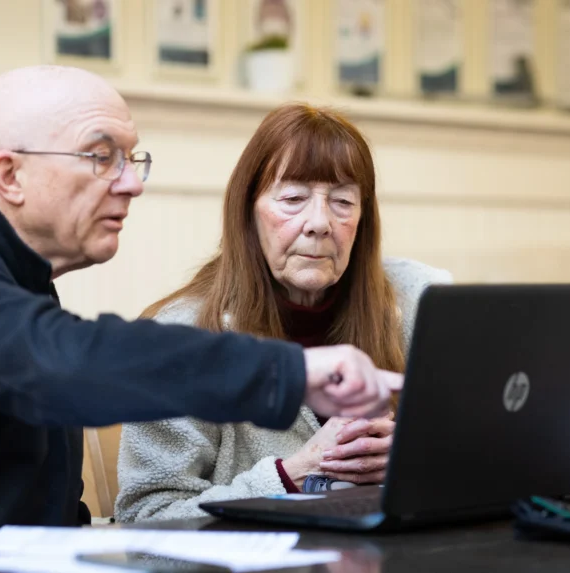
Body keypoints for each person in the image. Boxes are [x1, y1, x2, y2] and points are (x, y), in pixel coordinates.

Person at [0, 67, 402, 542]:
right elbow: (64, 364)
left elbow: (49, 522)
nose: (131, 184)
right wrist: (293, 372)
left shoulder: (22, 288)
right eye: (101, 157)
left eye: (131, 159)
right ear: (9, 176)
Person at [115, 104, 452, 523]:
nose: (319, 223)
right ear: (248, 212)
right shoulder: (180, 337)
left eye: (343, 201)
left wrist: (413, 458)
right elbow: (145, 521)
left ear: (363, 220)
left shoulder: (422, 303)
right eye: (293, 198)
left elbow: (493, 456)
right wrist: (292, 474)